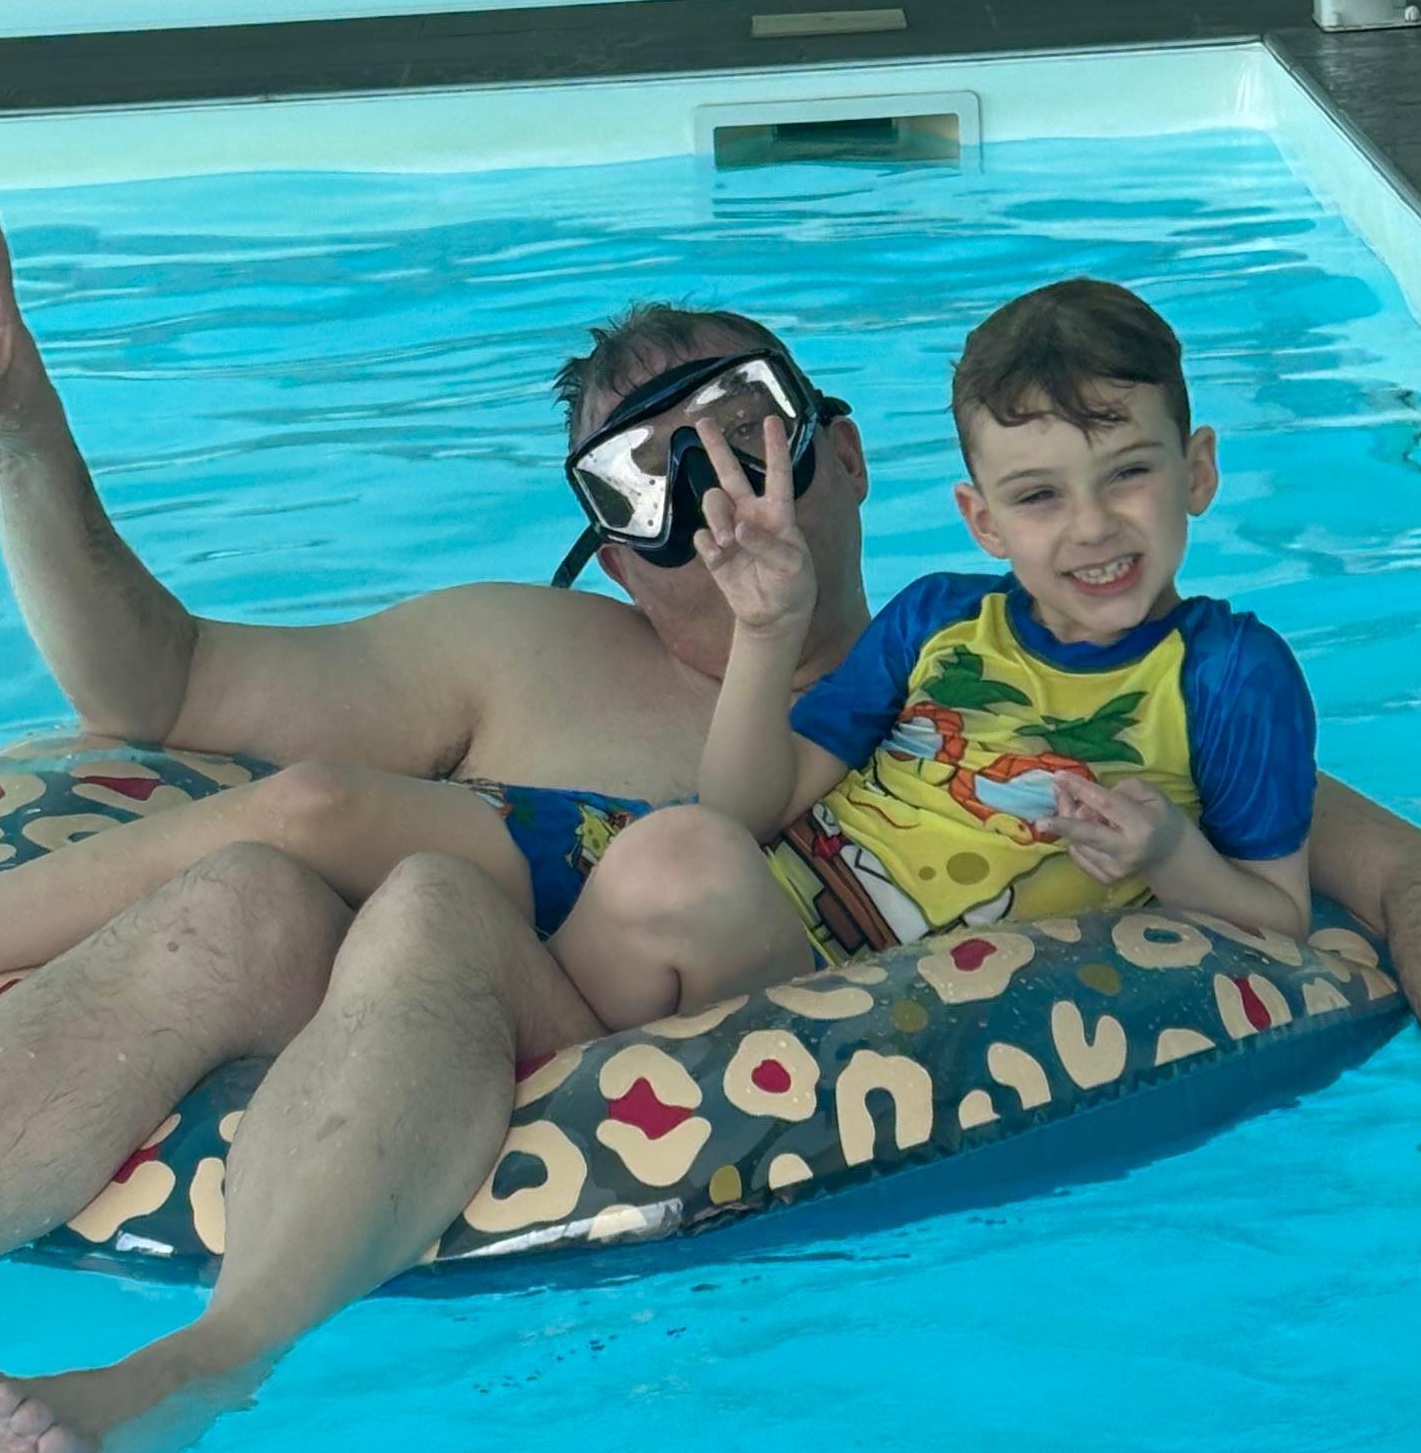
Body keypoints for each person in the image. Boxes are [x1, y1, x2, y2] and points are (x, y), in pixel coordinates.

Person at [0, 175, 1421, 1453]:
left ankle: (201, 1366)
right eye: (640, 493)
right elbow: (155, 697)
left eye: (744, 446)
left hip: (681, 1032)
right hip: (496, 989)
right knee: (255, 895)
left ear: (855, 458)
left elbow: (1407, 885)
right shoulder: (511, 659)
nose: (710, 517)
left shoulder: (1011, 667)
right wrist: (23, 451)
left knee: (445, 904)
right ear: (592, 539)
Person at [541, 275, 1321, 1028]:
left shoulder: (1232, 676)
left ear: (1198, 472)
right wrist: (767, 629)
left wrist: (1168, 852)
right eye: (1039, 496)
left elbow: (1283, 919)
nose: (1091, 527)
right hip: (763, 918)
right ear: (983, 522)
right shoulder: (937, 619)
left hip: (868, 1005)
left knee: (672, 860)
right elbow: (744, 815)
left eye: (1127, 474)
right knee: (674, 854)